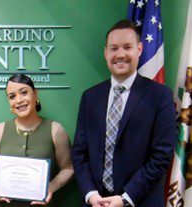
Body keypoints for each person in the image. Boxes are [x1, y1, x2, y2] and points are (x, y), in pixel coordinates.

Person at [72, 19, 177, 207]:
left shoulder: (160, 96)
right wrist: (90, 194)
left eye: (127, 47)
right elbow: (80, 153)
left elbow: (162, 155)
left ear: (139, 49)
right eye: (114, 48)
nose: (120, 54)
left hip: (140, 201)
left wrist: (125, 199)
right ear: (106, 53)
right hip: (96, 203)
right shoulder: (90, 97)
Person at [0, 74, 74, 207]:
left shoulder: (55, 130)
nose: (18, 100)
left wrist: (50, 187)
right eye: (12, 96)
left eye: (24, 92)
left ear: (35, 94)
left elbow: (69, 168)